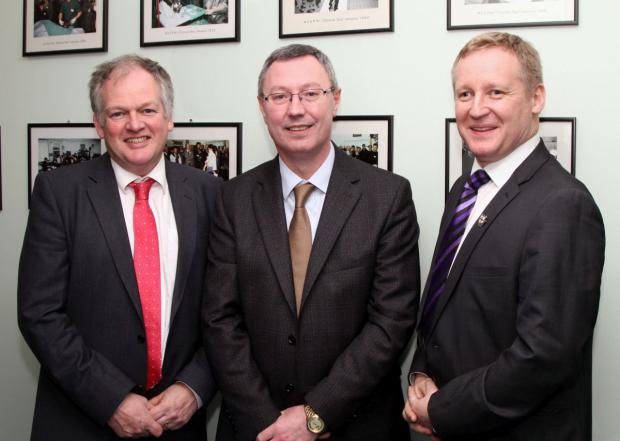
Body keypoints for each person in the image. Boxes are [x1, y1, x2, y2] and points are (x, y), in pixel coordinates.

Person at [203, 43, 420, 441]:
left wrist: (316, 414)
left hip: (358, 425)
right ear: (262, 107)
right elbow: (220, 320)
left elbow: (392, 321)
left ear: (335, 100)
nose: (295, 109)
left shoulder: (386, 197)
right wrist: (265, 421)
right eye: (280, 96)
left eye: (310, 93)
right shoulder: (233, 199)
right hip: (256, 428)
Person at [403, 32, 605, 441]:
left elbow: (543, 356)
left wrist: (442, 408)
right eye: (464, 94)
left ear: (536, 98)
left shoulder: (563, 205)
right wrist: (422, 371)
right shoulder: (465, 189)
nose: (477, 109)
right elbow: (444, 303)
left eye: (496, 91)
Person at [18, 54, 219, 441]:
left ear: (168, 117)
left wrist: (194, 387)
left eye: (147, 109)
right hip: (82, 419)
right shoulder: (59, 193)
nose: (135, 124)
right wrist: (110, 399)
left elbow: (226, 309)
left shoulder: (209, 193)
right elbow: (39, 313)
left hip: (178, 423)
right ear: (98, 123)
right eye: (117, 113)